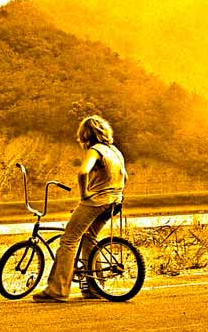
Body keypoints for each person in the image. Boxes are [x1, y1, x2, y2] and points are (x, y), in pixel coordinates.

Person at [33, 115, 127, 302]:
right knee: (89, 237)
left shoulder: (95, 150)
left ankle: (57, 290)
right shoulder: (114, 151)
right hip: (115, 201)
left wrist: (85, 194)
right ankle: (95, 288)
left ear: (85, 134)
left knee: (68, 240)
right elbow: (125, 177)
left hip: (96, 201)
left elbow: (83, 171)